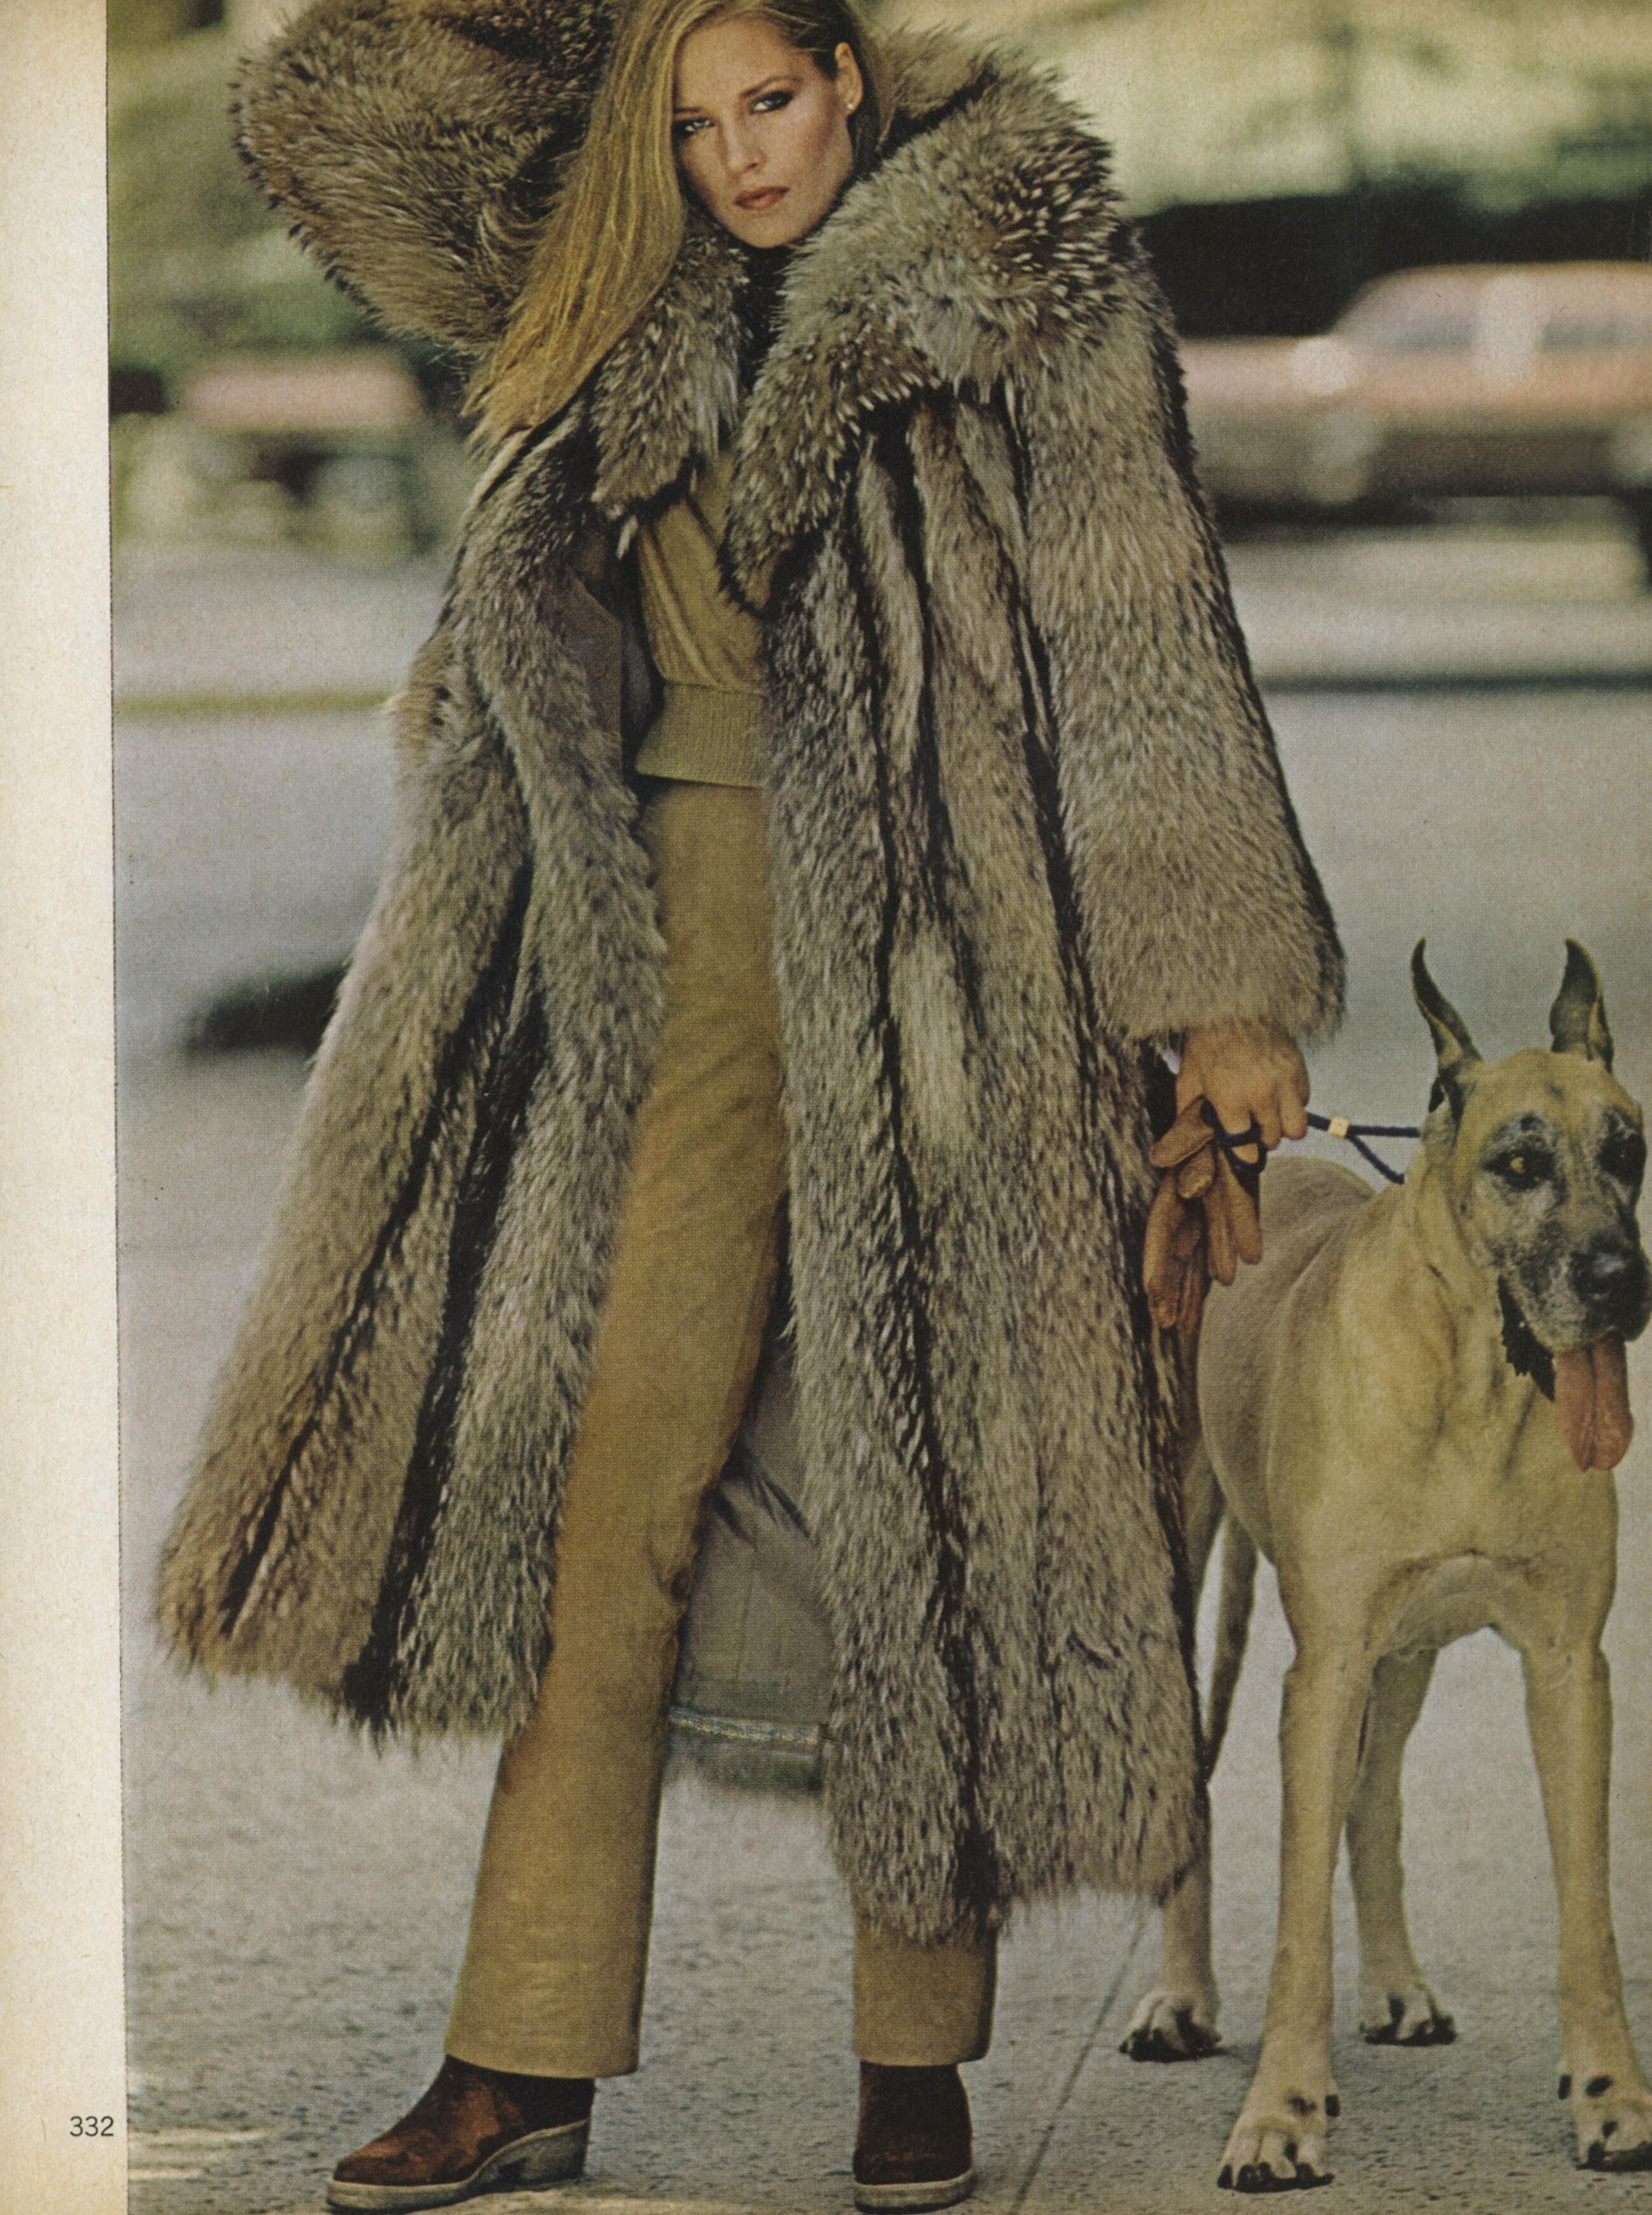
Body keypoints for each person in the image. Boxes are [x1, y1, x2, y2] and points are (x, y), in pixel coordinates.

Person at [156, 1, 1344, 2208]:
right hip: (670, 954)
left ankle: (918, 2062)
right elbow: (331, 108)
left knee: (932, 1498)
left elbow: (1142, 627)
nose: (741, 156)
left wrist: (1222, 989)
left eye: (771, 100)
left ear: (854, 72)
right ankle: (518, 2055)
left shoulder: (1024, 271)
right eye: (696, 121)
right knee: (607, 1485)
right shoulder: (610, 262)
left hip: (959, 957)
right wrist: (609, 44)